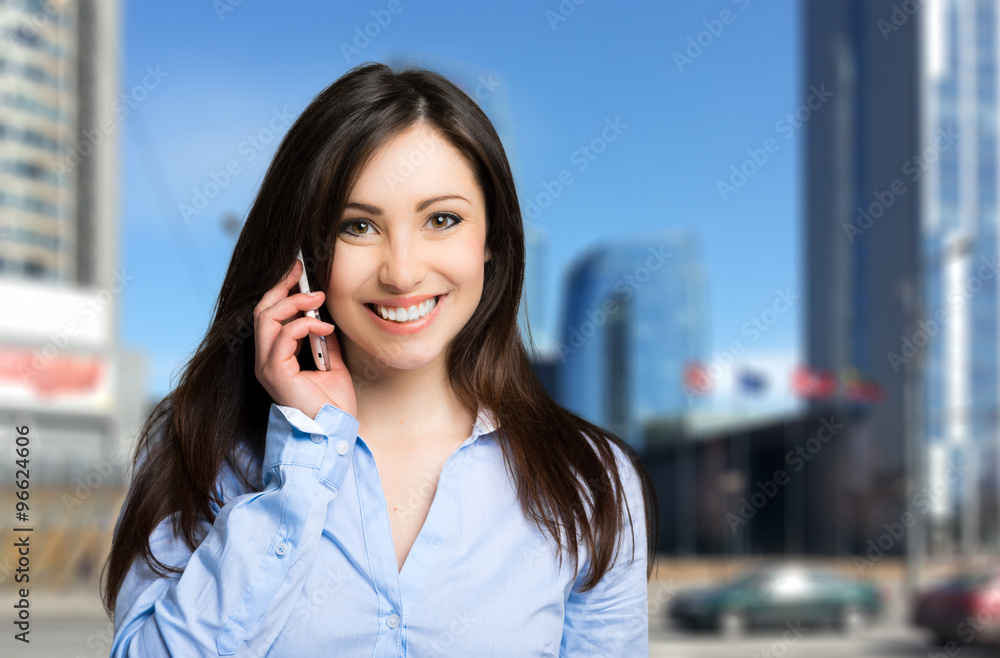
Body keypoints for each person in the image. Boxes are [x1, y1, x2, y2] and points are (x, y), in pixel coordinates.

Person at [103, 61, 659, 656]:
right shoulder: (198, 442)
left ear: (492, 238)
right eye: (357, 226)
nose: (401, 272)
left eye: (441, 220)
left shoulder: (592, 480)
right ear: (301, 251)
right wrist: (307, 462)